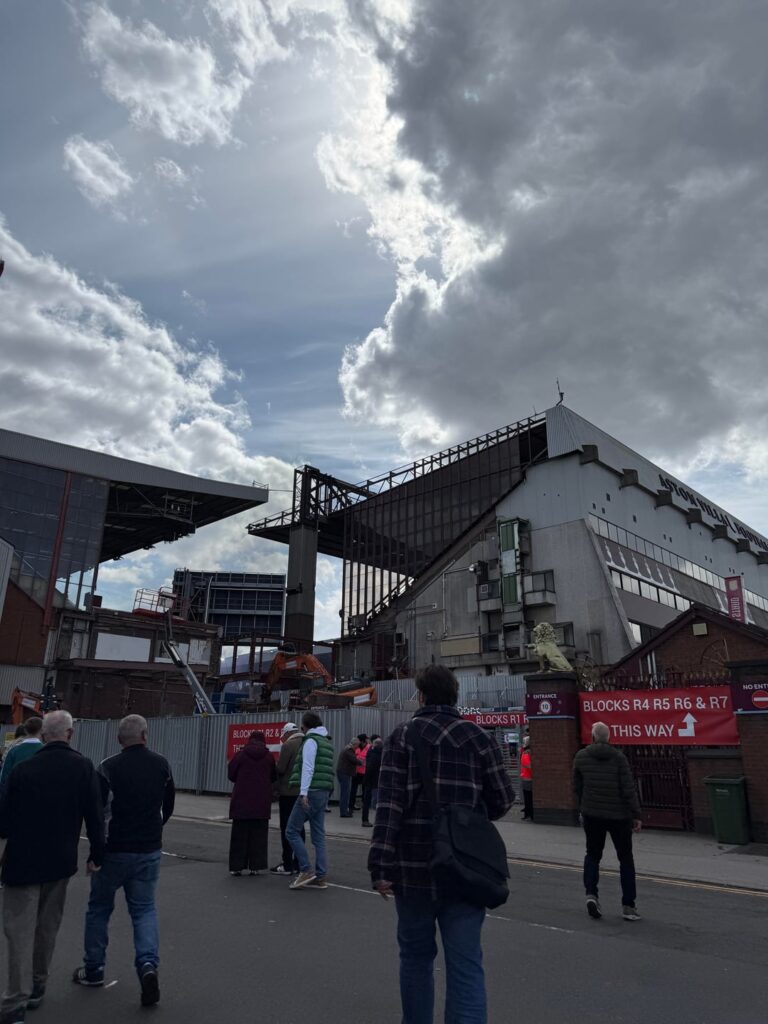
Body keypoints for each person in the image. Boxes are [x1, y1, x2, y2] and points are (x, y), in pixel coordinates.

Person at [369, 664, 514, 1024]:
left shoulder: (402, 737)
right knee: (466, 964)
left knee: (416, 958)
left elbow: (389, 808)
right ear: (455, 696)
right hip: (465, 870)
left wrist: (379, 866)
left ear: (420, 695)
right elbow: (503, 800)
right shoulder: (480, 738)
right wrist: (467, 818)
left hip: (413, 869)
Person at [0, 710, 104, 1022]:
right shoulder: (83, 767)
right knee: (47, 927)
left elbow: (3, 820)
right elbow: (95, 816)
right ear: (70, 735)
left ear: (44, 735)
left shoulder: (24, 769)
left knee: (18, 931)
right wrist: (97, 854)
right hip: (60, 861)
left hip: (21, 861)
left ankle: (13, 1002)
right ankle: (38, 986)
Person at [73, 714, 175, 1008]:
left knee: (99, 909)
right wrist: (155, 829)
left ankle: (93, 969)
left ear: (119, 739)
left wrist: (95, 854)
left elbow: (95, 813)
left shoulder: (107, 768)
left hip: (114, 850)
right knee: (144, 910)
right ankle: (147, 965)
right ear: (145, 735)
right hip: (148, 849)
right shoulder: (162, 765)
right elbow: (168, 804)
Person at [573, 720, 642, 922]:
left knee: (593, 855)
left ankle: (591, 895)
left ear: (593, 737)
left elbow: (576, 786)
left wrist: (583, 807)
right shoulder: (619, 758)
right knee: (626, 859)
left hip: (592, 814)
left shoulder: (581, 756)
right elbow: (628, 788)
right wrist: (636, 814)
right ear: (608, 738)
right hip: (619, 816)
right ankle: (628, 906)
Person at [285, 711, 334, 889]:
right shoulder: (326, 742)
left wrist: (303, 792)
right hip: (323, 792)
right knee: (318, 836)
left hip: (311, 791)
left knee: (291, 831)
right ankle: (321, 876)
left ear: (305, 727)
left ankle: (305, 869)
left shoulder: (310, 741)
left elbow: (308, 767)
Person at [227, 731, 276, 876]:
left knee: (239, 836)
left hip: (242, 801)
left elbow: (231, 774)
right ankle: (256, 865)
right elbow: (273, 776)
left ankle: (236, 866)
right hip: (261, 802)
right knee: (259, 836)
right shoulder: (268, 757)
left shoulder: (241, 755)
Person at [271, 723, 304, 875]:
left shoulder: (288, 745)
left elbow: (281, 769)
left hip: (288, 792)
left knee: (287, 828)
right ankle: (299, 862)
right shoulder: (307, 743)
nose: (282, 738)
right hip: (303, 793)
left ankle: (287, 864)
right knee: (300, 829)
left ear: (287, 734)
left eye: (283, 736)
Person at [0, 718, 43, 794]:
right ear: (42, 730)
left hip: (16, 799)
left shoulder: (13, 751)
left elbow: (4, 780)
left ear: (25, 730)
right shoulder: (47, 750)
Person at [361, 736, 383, 827]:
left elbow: (369, 768)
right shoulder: (381, 754)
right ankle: (379, 820)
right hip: (377, 781)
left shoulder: (372, 753)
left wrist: (365, 780)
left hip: (370, 781)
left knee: (367, 801)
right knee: (378, 801)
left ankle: (365, 820)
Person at [336, 738, 359, 818]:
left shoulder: (346, 748)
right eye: (357, 746)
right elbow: (354, 760)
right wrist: (362, 762)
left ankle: (344, 810)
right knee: (345, 793)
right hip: (344, 773)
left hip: (343, 772)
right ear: (355, 744)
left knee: (344, 792)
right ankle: (344, 812)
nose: (357, 747)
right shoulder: (349, 750)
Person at [350, 733, 369, 813]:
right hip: (356, 772)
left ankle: (365, 806)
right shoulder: (356, 748)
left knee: (365, 790)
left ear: (362, 741)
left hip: (365, 772)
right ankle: (351, 806)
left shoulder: (369, 748)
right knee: (353, 789)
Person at [520, 735, 533, 821]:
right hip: (528, 778)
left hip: (527, 778)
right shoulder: (526, 753)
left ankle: (528, 813)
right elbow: (528, 765)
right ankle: (529, 814)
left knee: (528, 797)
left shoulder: (526, 753)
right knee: (529, 798)